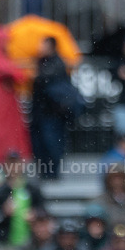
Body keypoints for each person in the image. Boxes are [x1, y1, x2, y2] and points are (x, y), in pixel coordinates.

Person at [30, 37, 80, 180]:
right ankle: (45, 172)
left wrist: (35, 76)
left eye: (43, 44)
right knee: (40, 144)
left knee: (52, 143)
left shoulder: (56, 63)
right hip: (42, 111)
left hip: (52, 112)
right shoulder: (41, 62)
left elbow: (44, 80)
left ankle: (52, 172)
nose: (40, 47)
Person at [0, 25, 32, 162]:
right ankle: (3, 156)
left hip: (3, 98)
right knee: (0, 130)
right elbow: (15, 73)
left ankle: (7, 156)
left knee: (5, 129)